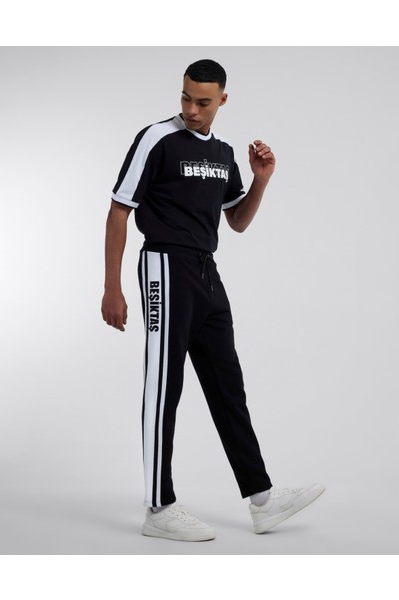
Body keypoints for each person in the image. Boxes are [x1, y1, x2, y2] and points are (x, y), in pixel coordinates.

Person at [101, 59, 324, 541]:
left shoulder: (223, 153)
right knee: (164, 384)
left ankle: (262, 500)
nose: (192, 109)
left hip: (206, 271)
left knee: (227, 383)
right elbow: (119, 210)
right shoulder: (157, 139)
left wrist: (260, 178)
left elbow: (236, 222)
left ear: (223, 100)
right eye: (186, 97)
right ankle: (158, 507)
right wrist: (112, 287)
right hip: (164, 264)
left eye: (203, 102)